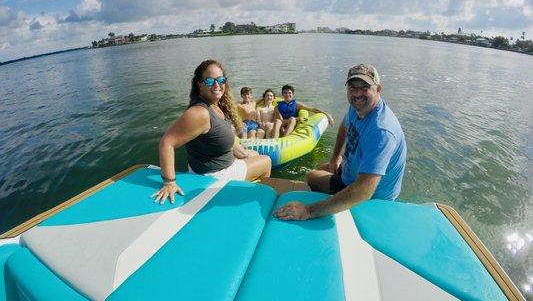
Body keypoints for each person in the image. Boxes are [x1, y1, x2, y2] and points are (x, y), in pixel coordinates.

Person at [274, 64, 406, 221]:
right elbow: (344, 128)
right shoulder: (357, 108)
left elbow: (363, 191)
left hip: (371, 197)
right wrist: (335, 158)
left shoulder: (381, 131)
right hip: (353, 169)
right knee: (322, 168)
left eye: (364, 87)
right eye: (352, 87)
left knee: (310, 176)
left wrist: (308, 211)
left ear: (378, 89)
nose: (357, 93)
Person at [152, 60, 271, 204]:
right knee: (266, 161)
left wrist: (246, 155)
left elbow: (223, 140)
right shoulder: (200, 113)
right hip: (215, 175)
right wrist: (169, 182)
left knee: (255, 154)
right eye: (209, 81)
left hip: (215, 164)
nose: (217, 85)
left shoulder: (216, 106)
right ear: (199, 84)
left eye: (221, 80)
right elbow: (166, 143)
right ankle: (260, 201)